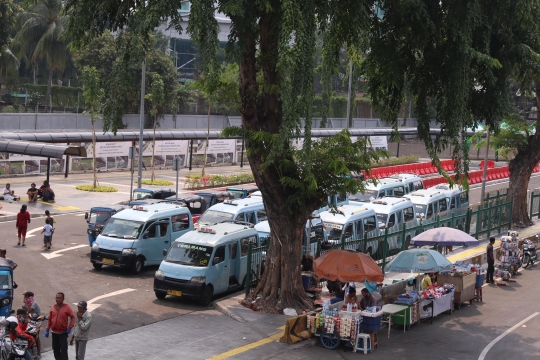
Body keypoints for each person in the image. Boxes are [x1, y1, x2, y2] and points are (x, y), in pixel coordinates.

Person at [45, 292, 75, 360]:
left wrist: (70, 327)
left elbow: (73, 317)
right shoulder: (53, 307)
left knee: (64, 350)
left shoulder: (67, 307)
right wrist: (47, 329)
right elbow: (49, 319)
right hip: (54, 333)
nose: (58, 299)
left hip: (63, 334)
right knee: (56, 350)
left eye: (60, 298)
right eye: (57, 298)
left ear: (63, 299)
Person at [23, 291, 42, 359]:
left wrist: (25, 302)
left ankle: (39, 353)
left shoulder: (34, 303)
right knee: (28, 334)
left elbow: (28, 310)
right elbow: (24, 311)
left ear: (28, 297)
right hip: (30, 321)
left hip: (36, 322)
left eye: (25, 296)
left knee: (36, 337)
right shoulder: (28, 303)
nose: (24, 298)